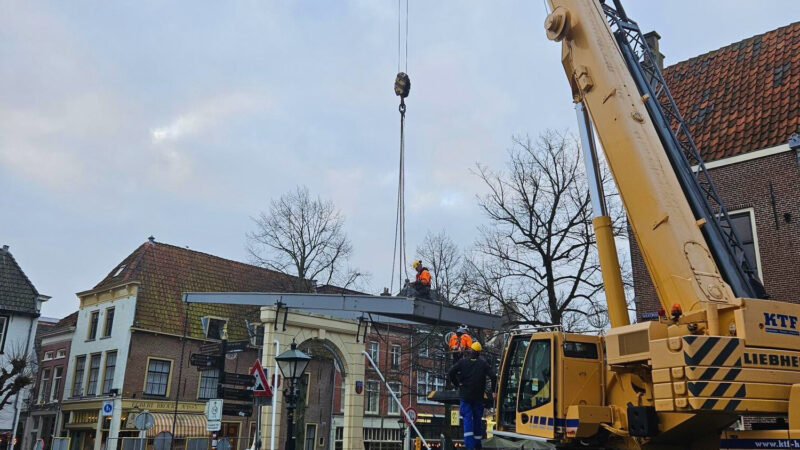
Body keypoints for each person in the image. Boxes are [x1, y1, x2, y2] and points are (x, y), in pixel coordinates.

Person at [448, 342, 497, 450]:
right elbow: (493, 376)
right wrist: (494, 391)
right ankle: (477, 445)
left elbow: (451, 372)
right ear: (479, 353)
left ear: (470, 351)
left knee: (467, 420)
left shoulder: (463, 362)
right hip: (478, 397)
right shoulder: (483, 364)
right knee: (477, 420)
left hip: (465, 395)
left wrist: (457, 385)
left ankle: (469, 447)